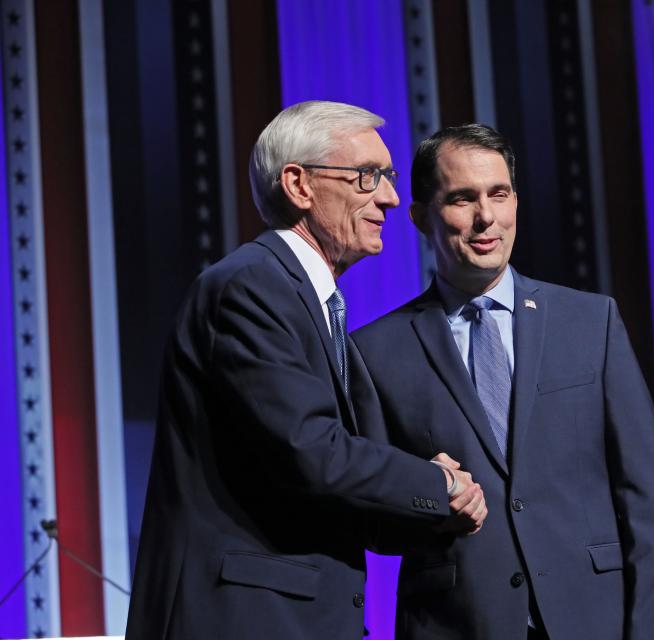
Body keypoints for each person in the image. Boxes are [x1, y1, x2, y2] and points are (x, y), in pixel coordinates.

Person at [126, 102, 487, 640]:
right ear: (298, 184)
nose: (389, 196)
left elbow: (332, 484)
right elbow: (312, 452)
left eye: (387, 178)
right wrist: (437, 484)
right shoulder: (252, 287)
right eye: (368, 176)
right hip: (245, 620)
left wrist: (432, 501)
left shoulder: (315, 307)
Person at [351, 124, 654, 640]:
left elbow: (648, 506)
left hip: (592, 620)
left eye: (498, 194)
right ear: (420, 218)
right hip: (456, 625)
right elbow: (375, 526)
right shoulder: (373, 352)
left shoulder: (591, 323)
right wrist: (427, 493)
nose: (486, 217)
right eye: (462, 198)